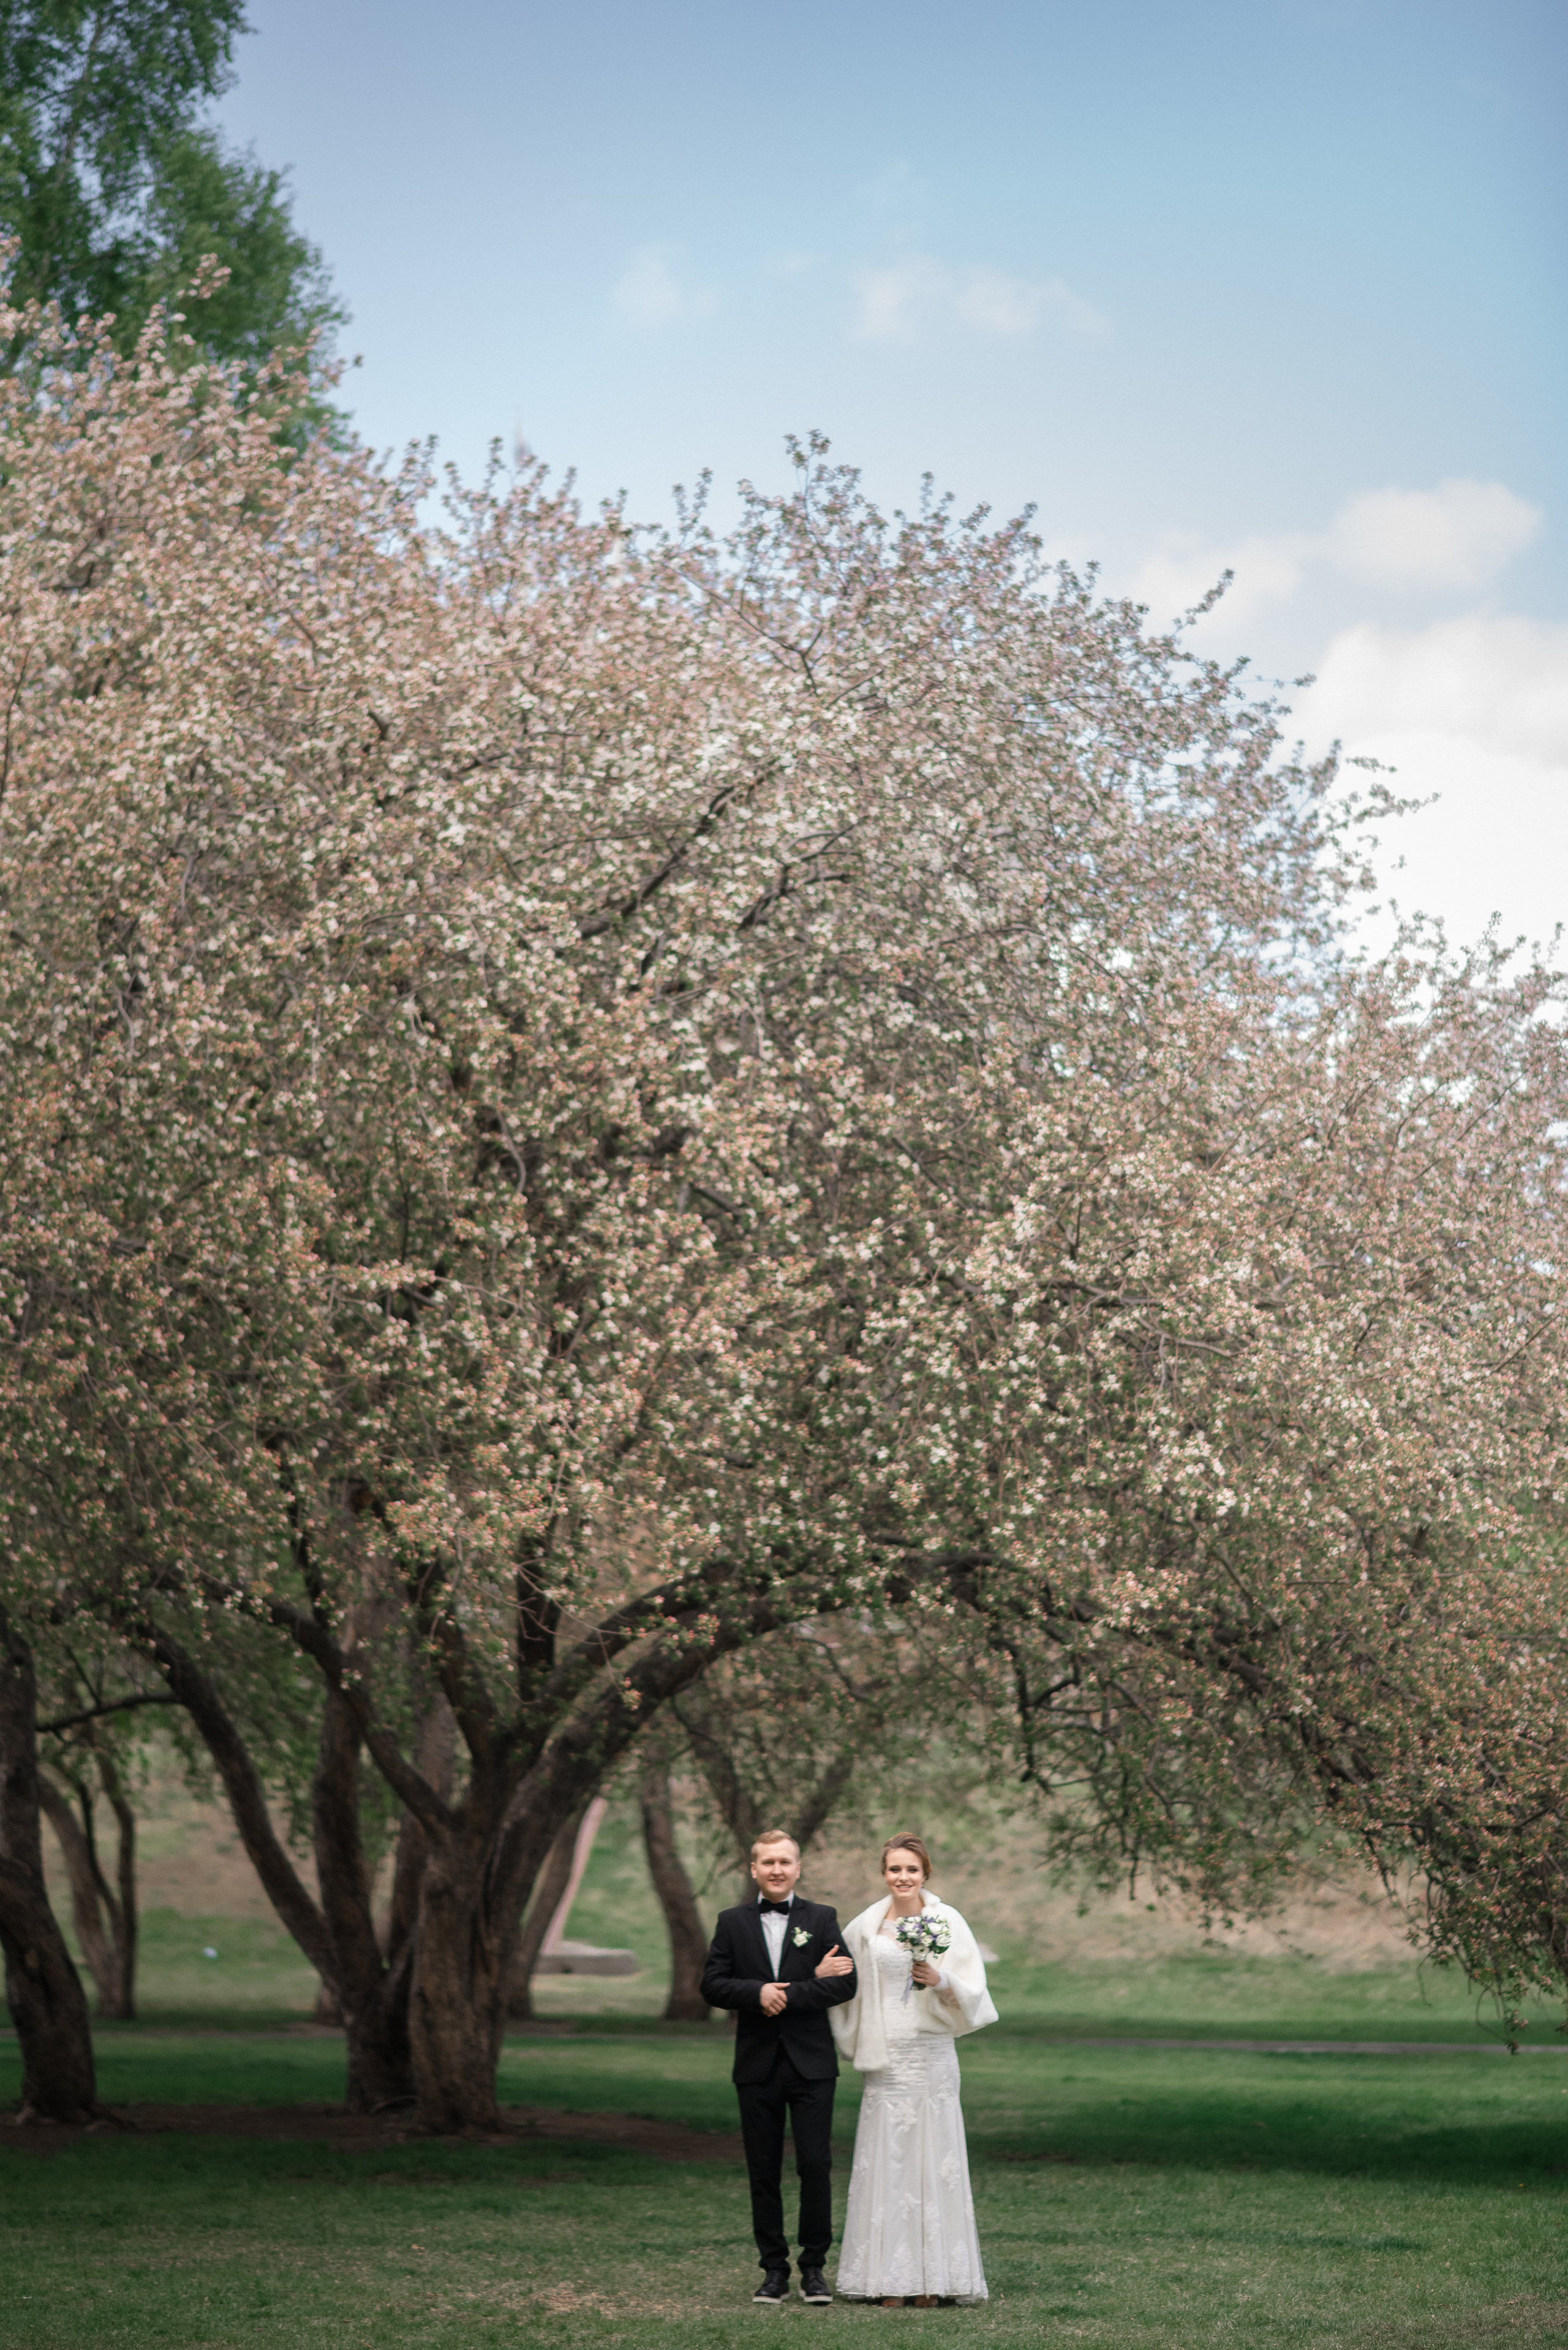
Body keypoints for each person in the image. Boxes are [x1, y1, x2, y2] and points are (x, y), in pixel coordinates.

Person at [829, 1832, 997, 2306]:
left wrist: (938, 1978)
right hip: (886, 2053)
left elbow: (972, 1986)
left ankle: (933, 2279)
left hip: (931, 2051)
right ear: (884, 1873)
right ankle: (887, 2277)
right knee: (890, 2156)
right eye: (894, 1870)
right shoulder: (866, 1924)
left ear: (925, 1874)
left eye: (911, 1870)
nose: (902, 1878)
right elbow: (848, 1977)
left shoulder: (946, 1920)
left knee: (933, 2156)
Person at [699, 1829, 859, 2305]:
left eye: (785, 1862)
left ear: (797, 1867)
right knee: (763, 2170)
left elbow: (843, 1985)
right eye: (767, 1862)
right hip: (757, 2066)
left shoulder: (823, 1918)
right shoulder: (732, 1922)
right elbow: (712, 1985)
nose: (776, 1870)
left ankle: (814, 2269)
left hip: (812, 2066)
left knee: (815, 2164)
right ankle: (773, 2270)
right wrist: (755, 1992)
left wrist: (785, 1992)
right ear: (754, 1869)